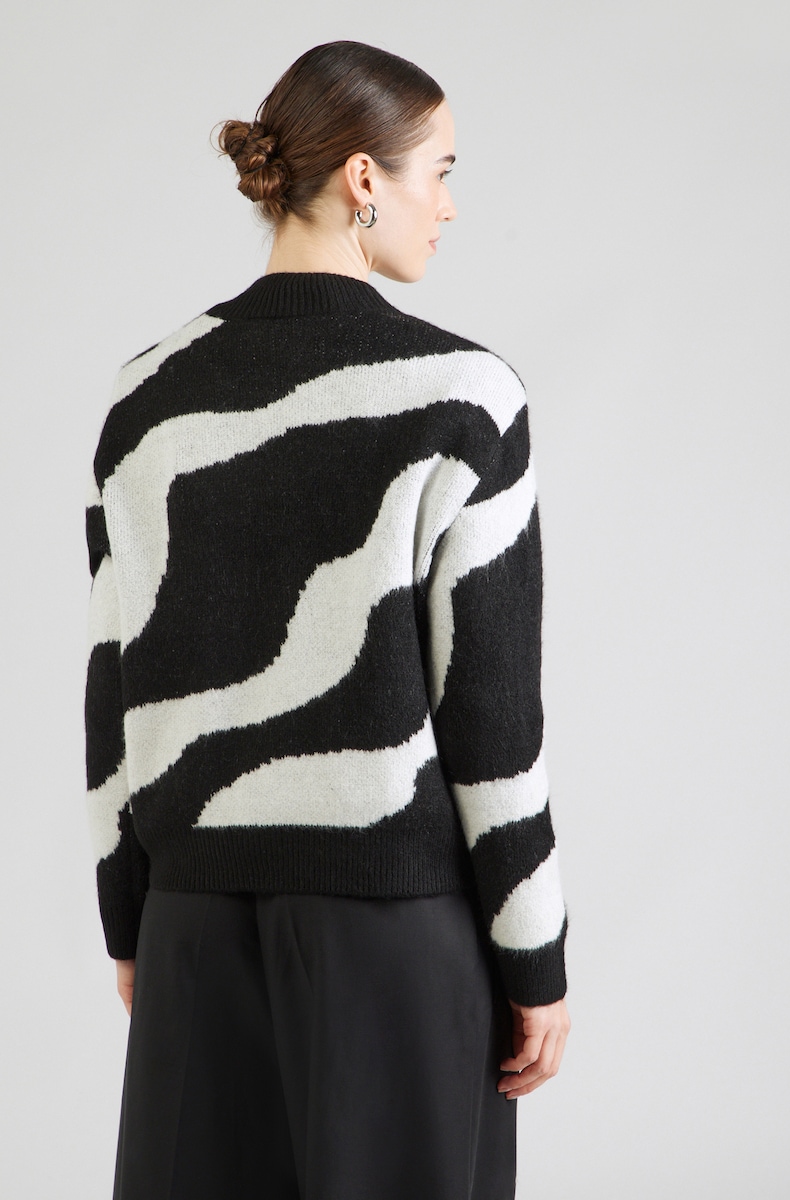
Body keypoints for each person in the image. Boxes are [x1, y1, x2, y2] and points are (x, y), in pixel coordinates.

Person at [83, 39, 570, 1200]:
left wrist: (129, 921)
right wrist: (534, 954)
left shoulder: (145, 396)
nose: (448, 207)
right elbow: (492, 714)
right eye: (438, 172)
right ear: (363, 179)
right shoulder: (462, 397)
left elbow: (116, 683)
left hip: (194, 921)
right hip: (396, 931)